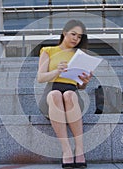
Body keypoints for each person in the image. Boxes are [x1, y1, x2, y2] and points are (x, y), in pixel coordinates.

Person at [37, 19, 91, 168]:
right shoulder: (48, 51)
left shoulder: (80, 55)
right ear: (64, 33)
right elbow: (40, 78)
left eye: (79, 36)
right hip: (51, 94)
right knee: (56, 95)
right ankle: (66, 150)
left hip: (73, 95)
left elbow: (81, 87)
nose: (76, 38)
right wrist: (57, 71)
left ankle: (79, 150)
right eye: (73, 34)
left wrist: (85, 81)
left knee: (68, 95)